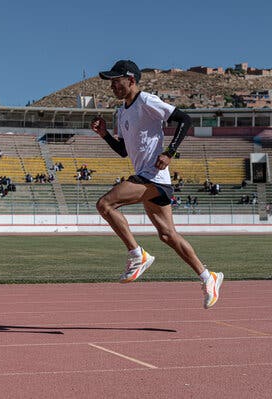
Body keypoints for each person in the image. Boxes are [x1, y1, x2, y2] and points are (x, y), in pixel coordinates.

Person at [90, 59, 223, 309]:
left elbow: (185, 120)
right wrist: (105, 134)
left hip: (152, 176)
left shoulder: (147, 101)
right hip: (149, 178)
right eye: (111, 83)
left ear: (131, 80)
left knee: (105, 204)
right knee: (167, 235)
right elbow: (123, 151)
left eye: (116, 81)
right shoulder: (122, 112)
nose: (112, 86)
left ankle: (137, 254)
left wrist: (170, 152)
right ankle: (208, 277)